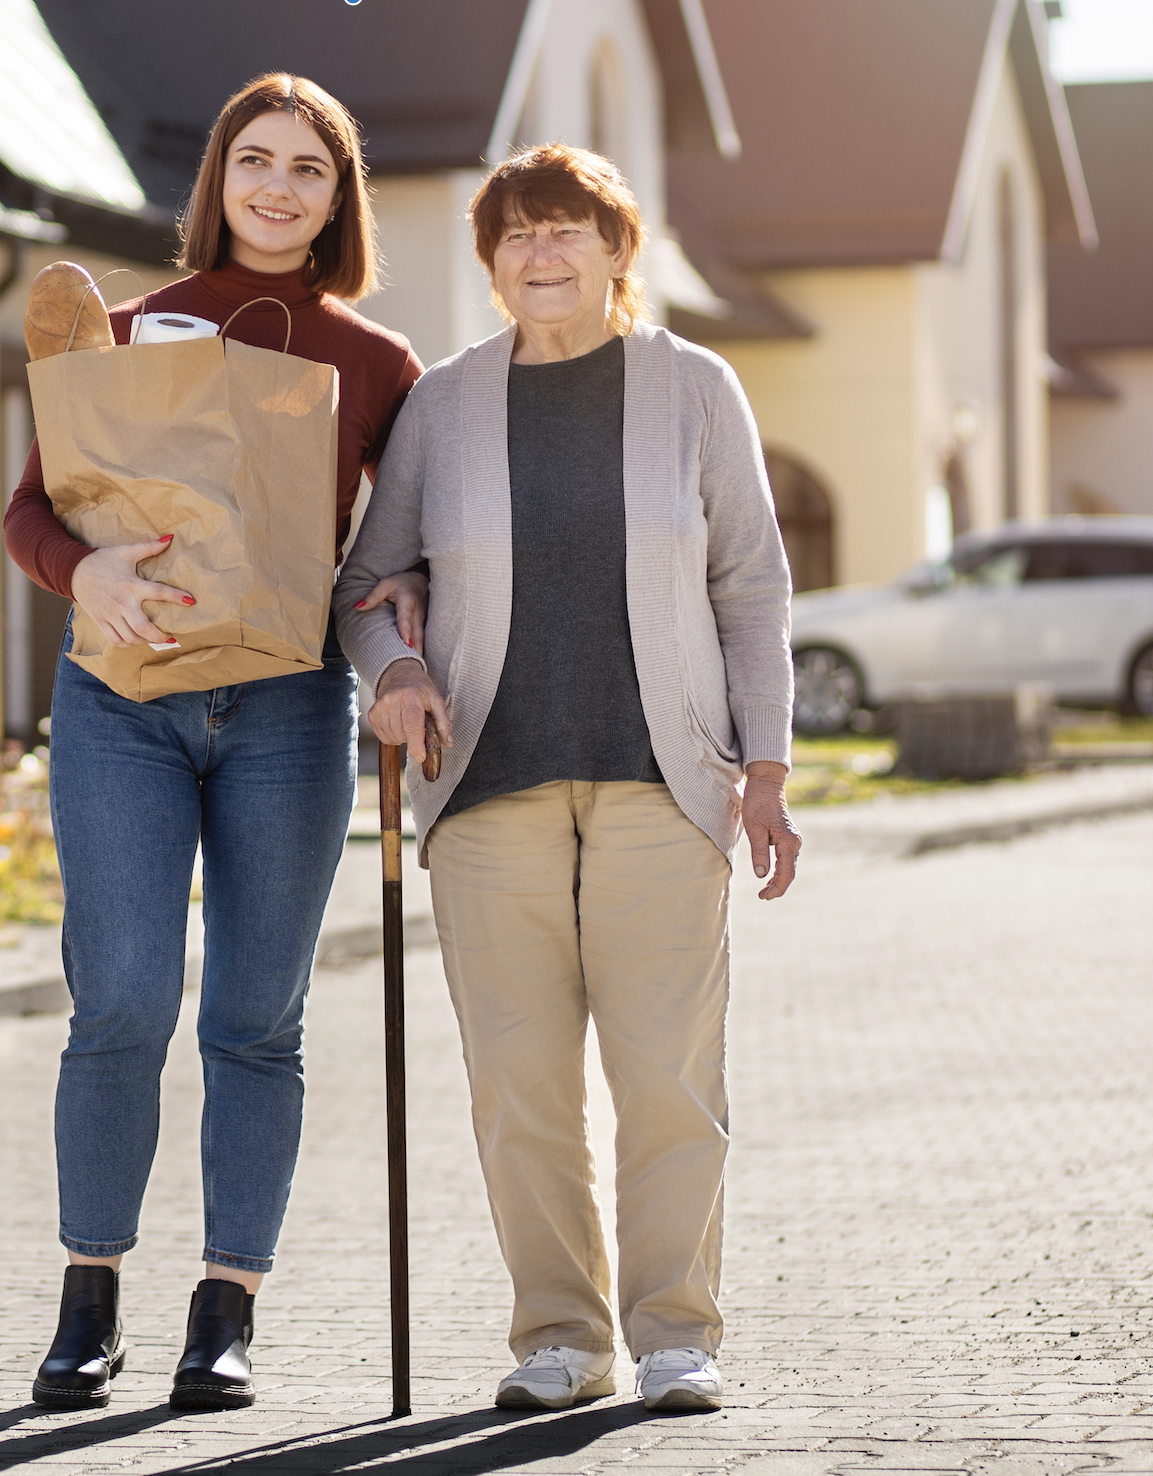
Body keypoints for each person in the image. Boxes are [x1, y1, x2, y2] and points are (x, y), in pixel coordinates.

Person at [335, 144, 800, 1415]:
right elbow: (364, 588)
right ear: (490, 265)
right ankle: (559, 1335)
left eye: (567, 232)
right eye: (516, 237)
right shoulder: (444, 402)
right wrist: (392, 674)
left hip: (666, 783)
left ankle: (672, 1333)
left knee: (667, 1078)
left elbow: (749, 588)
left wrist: (764, 766)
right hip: (488, 786)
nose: (541, 255)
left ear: (617, 249)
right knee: (521, 1086)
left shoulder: (693, 388)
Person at [4, 74, 422, 1412]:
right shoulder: (120, 330)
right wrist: (88, 572)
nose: (277, 186)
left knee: (256, 1019)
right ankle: (89, 1301)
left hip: (290, 713)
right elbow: (31, 514)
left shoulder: (378, 366)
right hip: (122, 703)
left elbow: (393, 551)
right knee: (119, 1002)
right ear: (218, 180)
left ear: (336, 197)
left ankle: (224, 1305)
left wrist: (405, 626)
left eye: (308, 167)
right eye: (255, 160)